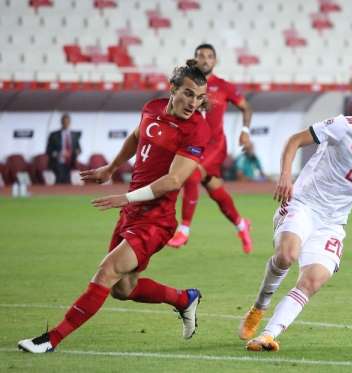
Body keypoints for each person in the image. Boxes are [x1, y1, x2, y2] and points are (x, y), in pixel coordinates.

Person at [17, 60, 211, 353]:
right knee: (123, 288)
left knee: (106, 272)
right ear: (172, 89)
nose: (193, 103)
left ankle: (51, 339)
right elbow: (137, 136)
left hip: (156, 220)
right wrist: (111, 167)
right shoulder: (152, 108)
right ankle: (185, 299)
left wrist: (127, 197)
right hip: (131, 213)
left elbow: (173, 181)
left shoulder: (197, 130)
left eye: (199, 98)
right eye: (187, 93)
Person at [238, 90, 352, 352]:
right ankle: (259, 307)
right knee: (287, 256)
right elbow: (295, 140)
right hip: (304, 205)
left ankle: (267, 336)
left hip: (333, 223)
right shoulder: (345, 127)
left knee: (313, 280)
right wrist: (286, 175)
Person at [168, 43, 254, 253]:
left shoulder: (223, 86)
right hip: (193, 144)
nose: (205, 59)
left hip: (215, 146)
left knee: (192, 174)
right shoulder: (186, 85)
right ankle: (241, 225)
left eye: (209, 56)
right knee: (215, 189)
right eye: (201, 56)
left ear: (215, 61)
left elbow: (246, 106)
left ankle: (184, 230)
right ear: (195, 59)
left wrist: (245, 131)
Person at [46, 113, 81, 184]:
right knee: (59, 181)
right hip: (58, 162)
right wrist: (58, 154)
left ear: (70, 122)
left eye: (67, 122)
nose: (66, 123)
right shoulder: (54, 135)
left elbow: (79, 149)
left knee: (68, 182)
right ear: (61, 122)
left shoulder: (74, 135)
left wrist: (77, 152)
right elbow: (48, 150)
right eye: (64, 122)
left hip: (70, 162)